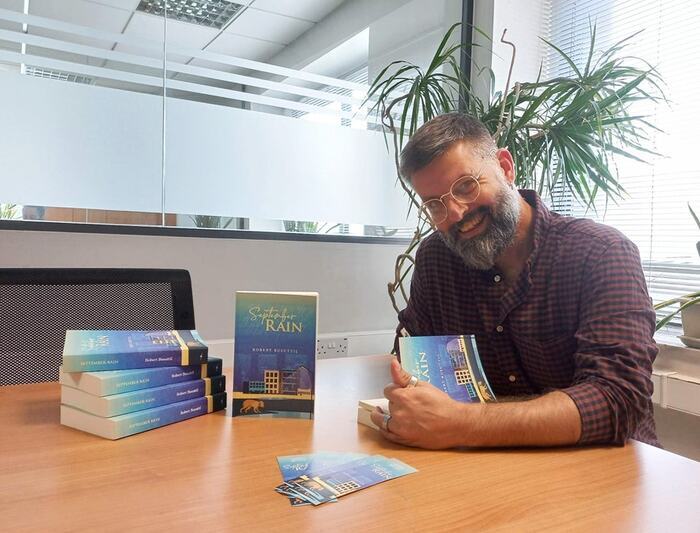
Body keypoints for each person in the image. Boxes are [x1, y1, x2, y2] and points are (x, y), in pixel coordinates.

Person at [369, 112, 659, 449]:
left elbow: (618, 399)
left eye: (466, 186)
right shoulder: (436, 258)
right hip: (487, 465)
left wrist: (462, 423)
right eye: (435, 205)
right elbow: (414, 361)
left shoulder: (601, 253)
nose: (456, 213)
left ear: (506, 168)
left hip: (605, 466)